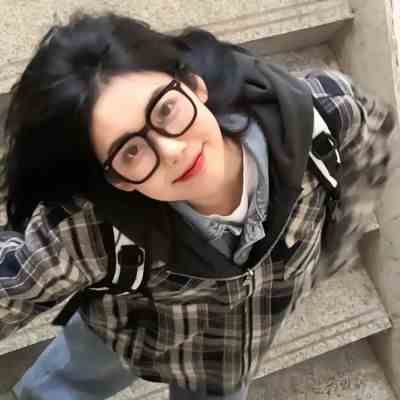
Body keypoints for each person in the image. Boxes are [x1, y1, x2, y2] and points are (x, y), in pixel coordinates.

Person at [0, 12, 394, 400]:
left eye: (165, 109)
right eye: (131, 151)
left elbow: (370, 151)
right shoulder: (93, 229)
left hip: (228, 359)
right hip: (130, 330)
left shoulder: (324, 118)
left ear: (193, 84)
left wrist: (321, 262)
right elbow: (15, 285)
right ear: (119, 180)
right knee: (76, 374)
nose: (171, 151)